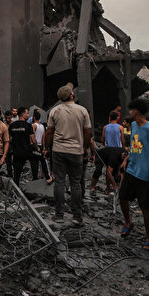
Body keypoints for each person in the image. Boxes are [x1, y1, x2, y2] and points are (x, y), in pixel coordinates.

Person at [46, 82, 91, 226]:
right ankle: (77, 217)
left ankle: (59, 215)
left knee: (59, 182)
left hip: (58, 150)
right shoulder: (82, 110)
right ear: (71, 95)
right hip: (76, 151)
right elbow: (88, 132)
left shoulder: (54, 111)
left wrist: (47, 148)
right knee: (76, 183)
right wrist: (85, 148)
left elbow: (49, 132)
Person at [119, 99, 149, 250]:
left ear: (136, 111)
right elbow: (134, 146)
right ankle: (128, 222)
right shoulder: (134, 126)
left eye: (131, 110)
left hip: (145, 174)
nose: (129, 112)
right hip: (131, 170)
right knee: (122, 198)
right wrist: (126, 161)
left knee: (144, 207)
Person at [10, 107, 39, 184]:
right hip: (26, 152)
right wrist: (37, 148)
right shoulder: (28, 125)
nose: (28, 115)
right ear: (22, 114)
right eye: (27, 113)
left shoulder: (12, 126)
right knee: (36, 161)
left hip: (16, 153)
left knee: (16, 175)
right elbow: (33, 139)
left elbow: (9, 139)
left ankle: (16, 190)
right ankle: (35, 182)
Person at [32, 109, 52, 182]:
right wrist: (43, 148)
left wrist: (35, 146)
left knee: (34, 163)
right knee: (43, 161)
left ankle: (35, 178)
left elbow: (32, 137)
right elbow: (44, 138)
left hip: (35, 146)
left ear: (34, 117)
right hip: (41, 145)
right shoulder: (42, 126)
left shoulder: (33, 125)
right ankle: (47, 176)